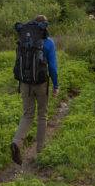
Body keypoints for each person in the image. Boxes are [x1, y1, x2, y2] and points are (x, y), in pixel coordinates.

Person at [10, 14, 59, 165]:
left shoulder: (24, 42)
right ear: (44, 27)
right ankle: (40, 151)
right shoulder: (49, 43)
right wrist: (56, 85)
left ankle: (17, 141)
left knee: (27, 115)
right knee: (42, 116)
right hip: (41, 84)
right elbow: (52, 67)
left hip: (25, 84)